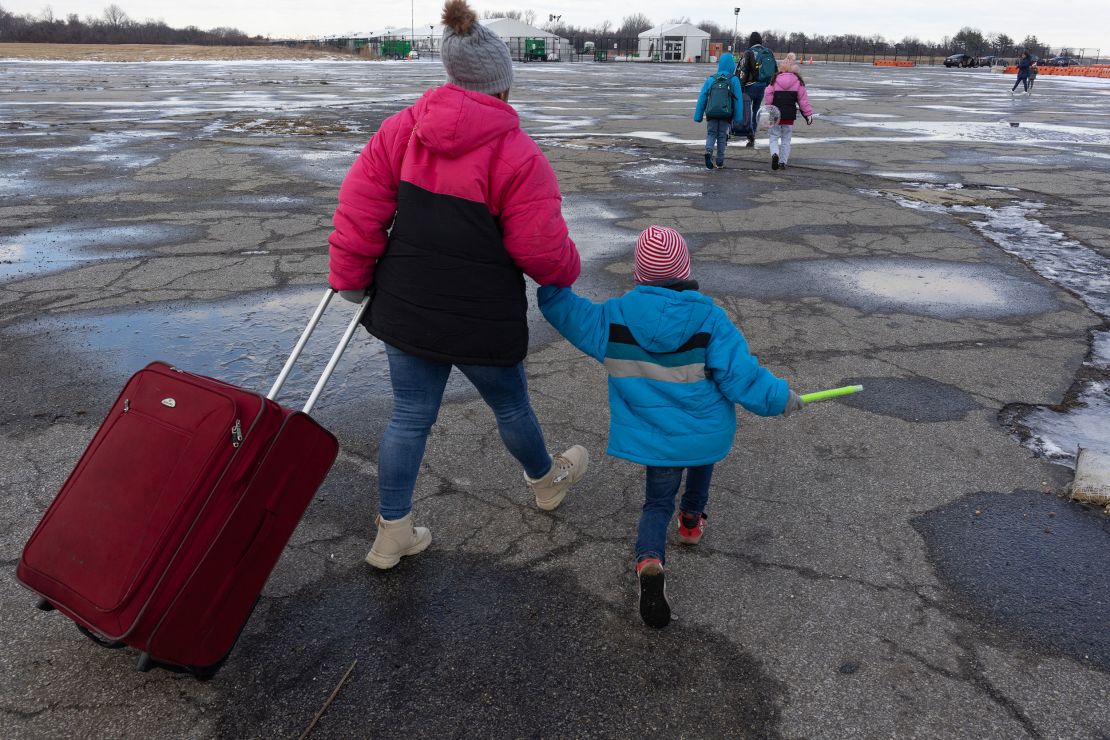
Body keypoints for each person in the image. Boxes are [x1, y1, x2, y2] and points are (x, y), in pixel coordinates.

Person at [328, 0, 589, 570]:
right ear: (502, 84)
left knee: (409, 417)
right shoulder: (518, 155)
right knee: (511, 406)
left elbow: (359, 206)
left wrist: (350, 279)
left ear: (450, 75)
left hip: (407, 304)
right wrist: (565, 274)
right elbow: (539, 247)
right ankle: (546, 480)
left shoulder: (402, 131)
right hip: (480, 315)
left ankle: (392, 530)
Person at [537, 226, 803, 628]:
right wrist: (781, 398)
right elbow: (741, 376)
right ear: (686, 270)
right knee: (701, 460)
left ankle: (648, 562)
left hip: (655, 438)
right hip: (704, 431)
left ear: (638, 275)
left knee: (656, 504)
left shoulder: (613, 319)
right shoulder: (710, 319)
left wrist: (548, 273)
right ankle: (692, 523)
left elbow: (563, 309)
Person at [693, 52, 745, 169]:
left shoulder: (711, 79)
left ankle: (708, 151)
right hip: (726, 114)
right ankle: (720, 161)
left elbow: (702, 98)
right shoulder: (734, 79)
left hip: (711, 112)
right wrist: (738, 117)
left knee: (711, 134)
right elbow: (738, 100)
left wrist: (698, 115)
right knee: (722, 136)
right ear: (732, 65)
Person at [762, 53, 813, 171]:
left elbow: (768, 93)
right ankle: (783, 162)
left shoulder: (775, 79)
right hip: (789, 115)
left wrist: (769, 106)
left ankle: (775, 154)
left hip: (775, 114)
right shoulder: (797, 81)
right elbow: (803, 100)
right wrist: (808, 114)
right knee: (786, 139)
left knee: (774, 136)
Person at [738, 32, 778, 147]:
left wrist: (740, 86)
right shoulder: (768, 52)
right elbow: (775, 69)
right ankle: (753, 133)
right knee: (756, 110)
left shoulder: (749, 52)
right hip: (763, 86)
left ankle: (749, 130)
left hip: (750, 86)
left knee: (747, 109)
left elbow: (743, 71)